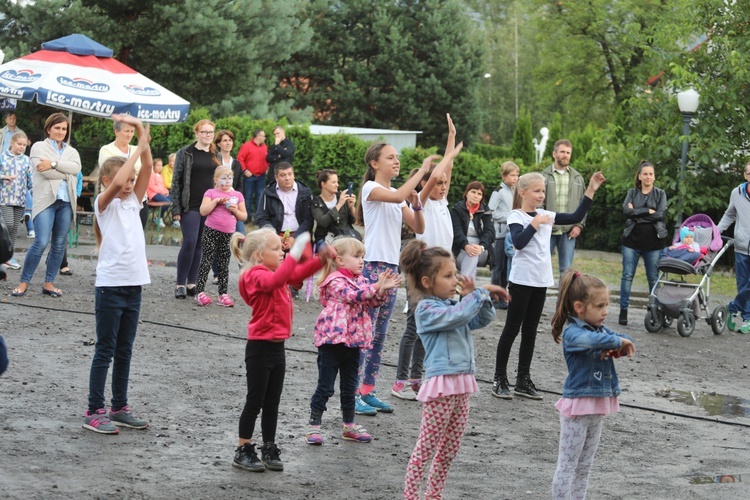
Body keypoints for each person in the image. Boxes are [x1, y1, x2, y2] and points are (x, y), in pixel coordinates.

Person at [400, 239, 508, 500]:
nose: (454, 280)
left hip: (461, 384)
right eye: (448, 276)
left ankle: (434, 495)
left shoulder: (452, 305)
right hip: (441, 387)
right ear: (427, 282)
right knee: (426, 447)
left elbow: (481, 318)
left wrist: (474, 296)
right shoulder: (426, 309)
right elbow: (459, 316)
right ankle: (411, 496)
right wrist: (480, 292)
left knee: (450, 449)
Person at [491, 170, 606, 400]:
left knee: (530, 331)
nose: (541, 194)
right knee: (512, 329)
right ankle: (499, 378)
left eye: (543, 190)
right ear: (523, 193)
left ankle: (522, 379)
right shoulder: (517, 216)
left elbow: (575, 216)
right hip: (521, 282)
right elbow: (520, 243)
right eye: (537, 190)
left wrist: (591, 189)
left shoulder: (545, 213)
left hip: (540, 281)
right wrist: (535, 222)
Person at [229, 229, 332, 472]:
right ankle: (243, 448)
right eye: (275, 249)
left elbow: (296, 275)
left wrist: (321, 259)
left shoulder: (274, 272)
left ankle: (268, 446)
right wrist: (296, 252)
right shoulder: (254, 275)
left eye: (282, 248)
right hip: (259, 348)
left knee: (272, 402)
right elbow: (277, 280)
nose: (282, 252)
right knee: (255, 401)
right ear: (257, 255)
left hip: (277, 348)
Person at [83, 114, 153, 434]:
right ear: (107, 183)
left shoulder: (134, 203)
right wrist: (135, 150)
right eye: (123, 181)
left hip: (133, 284)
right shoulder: (104, 204)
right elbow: (121, 176)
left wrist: (141, 136)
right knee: (105, 350)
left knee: (125, 349)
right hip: (110, 287)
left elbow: (147, 170)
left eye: (130, 182)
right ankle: (94, 410)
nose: (128, 185)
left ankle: (119, 406)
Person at [354, 140, 431, 415]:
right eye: (390, 157)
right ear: (375, 163)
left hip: (390, 268)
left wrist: (418, 204)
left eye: (397, 157)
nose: (396, 161)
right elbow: (399, 197)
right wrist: (421, 172)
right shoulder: (371, 188)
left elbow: (418, 226)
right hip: (374, 267)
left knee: (380, 336)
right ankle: (353, 395)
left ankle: (368, 390)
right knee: (366, 334)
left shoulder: (394, 194)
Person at [306, 237, 401, 445]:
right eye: (357, 256)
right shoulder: (334, 280)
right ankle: (314, 425)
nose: (362, 262)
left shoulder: (362, 280)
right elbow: (354, 296)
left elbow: (372, 301)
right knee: (326, 387)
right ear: (340, 260)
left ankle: (349, 426)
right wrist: (377, 285)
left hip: (355, 342)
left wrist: (382, 289)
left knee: (350, 387)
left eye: (363, 257)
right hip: (333, 342)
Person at [550, 270, 635, 499]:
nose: (605, 311)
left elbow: (614, 337)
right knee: (567, 465)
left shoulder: (599, 329)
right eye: (600, 306)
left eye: (606, 305)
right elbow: (594, 341)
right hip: (578, 406)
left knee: (585, 466)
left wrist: (621, 345)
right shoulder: (574, 333)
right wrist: (618, 342)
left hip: (597, 405)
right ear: (580, 308)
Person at [392, 113, 459, 401]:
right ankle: (399, 380)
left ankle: (417, 377)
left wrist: (451, 138)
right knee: (413, 327)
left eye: (445, 183)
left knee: (428, 327)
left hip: (442, 270)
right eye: (439, 183)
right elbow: (433, 177)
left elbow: (447, 169)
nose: (442, 186)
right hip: (423, 270)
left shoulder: (443, 201)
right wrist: (438, 165)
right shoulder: (422, 200)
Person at [12, 113, 81, 298]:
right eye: (57, 128)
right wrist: (66, 173)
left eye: (64, 128)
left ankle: (49, 283)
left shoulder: (72, 151)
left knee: (59, 244)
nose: (60, 131)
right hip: (45, 201)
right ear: (48, 128)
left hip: (66, 202)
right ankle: (24, 282)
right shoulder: (38, 147)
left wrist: (52, 164)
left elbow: (76, 169)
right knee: (41, 242)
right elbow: (44, 173)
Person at [170, 119, 221, 299]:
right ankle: (180, 283)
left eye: (211, 132)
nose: (208, 135)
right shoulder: (185, 153)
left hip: (209, 206)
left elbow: (220, 181)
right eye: (205, 132)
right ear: (197, 133)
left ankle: (192, 282)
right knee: (190, 241)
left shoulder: (217, 155)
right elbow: (176, 181)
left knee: (201, 243)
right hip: (190, 204)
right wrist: (175, 207)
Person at [618, 160, 667, 325]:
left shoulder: (660, 194)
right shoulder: (632, 192)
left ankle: (654, 310)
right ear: (639, 176)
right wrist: (647, 210)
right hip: (631, 241)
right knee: (627, 276)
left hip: (653, 243)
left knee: (653, 278)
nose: (648, 177)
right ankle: (623, 311)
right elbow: (626, 211)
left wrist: (636, 213)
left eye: (650, 174)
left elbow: (660, 215)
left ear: (654, 177)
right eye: (645, 174)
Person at [193, 166, 246, 307]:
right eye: (223, 178)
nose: (227, 181)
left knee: (224, 264)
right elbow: (203, 211)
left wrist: (235, 211)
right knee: (206, 260)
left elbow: (244, 216)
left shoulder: (237, 196)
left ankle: (222, 294)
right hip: (211, 231)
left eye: (230, 178)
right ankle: (200, 292)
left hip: (228, 233)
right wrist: (215, 202)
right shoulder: (210, 193)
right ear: (216, 180)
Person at [542, 140, 586, 275]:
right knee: (541, 268)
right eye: (562, 152)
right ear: (554, 153)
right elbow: (538, 202)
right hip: (547, 230)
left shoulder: (578, 178)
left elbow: (583, 203)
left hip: (569, 231)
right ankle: (539, 297)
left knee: (566, 271)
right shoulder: (543, 176)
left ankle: (563, 297)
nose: (565, 155)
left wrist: (579, 225)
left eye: (568, 153)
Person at [255, 162, 314, 256]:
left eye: (290, 174)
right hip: (276, 234)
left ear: (294, 175)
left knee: (305, 265)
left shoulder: (305, 192)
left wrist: (294, 237)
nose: (287, 178)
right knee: (274, 265)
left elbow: (308, 219)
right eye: (283, 175)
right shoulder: (268, 193)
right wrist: (275, 236)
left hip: (299, 234)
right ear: (276, 177)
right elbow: (261, 217)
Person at [718, 161, 750, 333]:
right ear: (745, 175)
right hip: (741, 246)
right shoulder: (737, 193)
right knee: (743, 284)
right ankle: (747, 319)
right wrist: (716, 231)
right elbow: (729, 215)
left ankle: (732, 307)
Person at [98, 119, 147, 227]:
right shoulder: (106, 150)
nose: (130, 134)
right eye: (126, 131)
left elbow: (147, 171)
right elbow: (113, 172)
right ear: (116, 131)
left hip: (138, 199)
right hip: (115, 199)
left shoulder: (135, 149)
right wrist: (135, 171)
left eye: (132, 131)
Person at [488, 161, 520, 308]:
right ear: (504, 175)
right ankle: (494, 298)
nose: (515, 178)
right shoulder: (498, 192)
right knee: (498, 267)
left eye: (517, 175)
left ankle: (502, 298)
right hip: (500, 235)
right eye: (512, 175)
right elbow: (490, 212)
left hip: (511, 235)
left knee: (507, 269)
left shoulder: (515, 191)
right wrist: (510, 217)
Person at [0, 132, 31, 270]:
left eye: (24, 145)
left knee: (14, 229)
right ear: (11, 143)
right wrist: (3, 177)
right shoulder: (2, 157)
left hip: (20, 199)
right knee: (8, 224)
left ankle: (8, 257)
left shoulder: (26, 160)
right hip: (4, 198)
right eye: (19, 144)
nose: (22, 147)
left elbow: (31, 180)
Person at [451, 181, 494, 279]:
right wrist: (466, 246)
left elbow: (490, 232)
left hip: (481, 250)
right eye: (473, 192)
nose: (476, 196)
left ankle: (462, 283)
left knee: (473, 253)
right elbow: (456, 231)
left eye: (479, 194)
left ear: (482, 197)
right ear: (466, 193)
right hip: (460, 248)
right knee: (472, 260)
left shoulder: (485, 210)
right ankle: (466, 288)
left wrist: (481, 247)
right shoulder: (457, 209)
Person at [310, 169, 357, 246]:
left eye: (337, 182)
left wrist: (351, 207)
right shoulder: (316, 203)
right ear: (323, 184)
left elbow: (354, 221)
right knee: (331, 252)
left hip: (345, 236)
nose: (337, 185)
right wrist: (339, 205)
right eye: (333, 182)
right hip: (324, 238)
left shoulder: (341, 196)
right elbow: (323, 222)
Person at [215, 130, 245, 234]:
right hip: (217, 202)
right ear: (219, 143)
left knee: (240, 234)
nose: (228, 143)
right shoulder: (214, 162)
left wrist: (237, 200)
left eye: (230, 140)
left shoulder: (236, 163)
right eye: (225, 140)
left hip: (234, 202)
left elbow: (240, 185)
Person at [237, 129, 268, 224]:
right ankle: (247, 217)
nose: (265, 137)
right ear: (258, 136)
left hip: (261, 176)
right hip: (250, 176)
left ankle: (257, 218)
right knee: (248, 196)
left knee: (260, 197)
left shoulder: (264, 147)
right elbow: (240, 158)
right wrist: (245, 170)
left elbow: (267, 159)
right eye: (263, 135)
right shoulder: (246, 146)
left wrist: (267, 167)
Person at [146, 158, 172, 228]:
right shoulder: (151, 175)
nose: (160, 167)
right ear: (153, 166)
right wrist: (163, 192)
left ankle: (174, 220)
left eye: (161, 165)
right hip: (153, 194)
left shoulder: (160, 176)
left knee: (173, 199)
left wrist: (166, 191)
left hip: (161, 194)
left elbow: (163, 186)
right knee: (166, 202)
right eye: (158, 165)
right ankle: (158, 218)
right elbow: (152, 187)